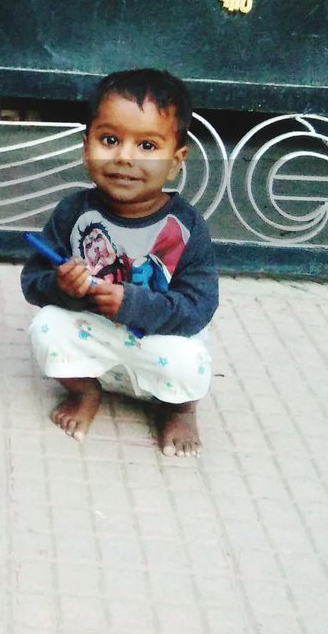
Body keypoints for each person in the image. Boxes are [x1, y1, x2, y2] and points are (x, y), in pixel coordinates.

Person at [21, 68, 219, 455]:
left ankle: (178, 409)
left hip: (158, 340)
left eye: (147, 146)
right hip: (94, 332)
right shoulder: (72, 212)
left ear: (176, 160)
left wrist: (133, 304)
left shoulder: (186, 225)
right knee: (45, 328)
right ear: (86, 146)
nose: (124, 157)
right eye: (109, 140)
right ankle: (85, 391)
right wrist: (62, 287)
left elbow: (199, 307)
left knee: (189, 361)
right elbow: (33, 281)